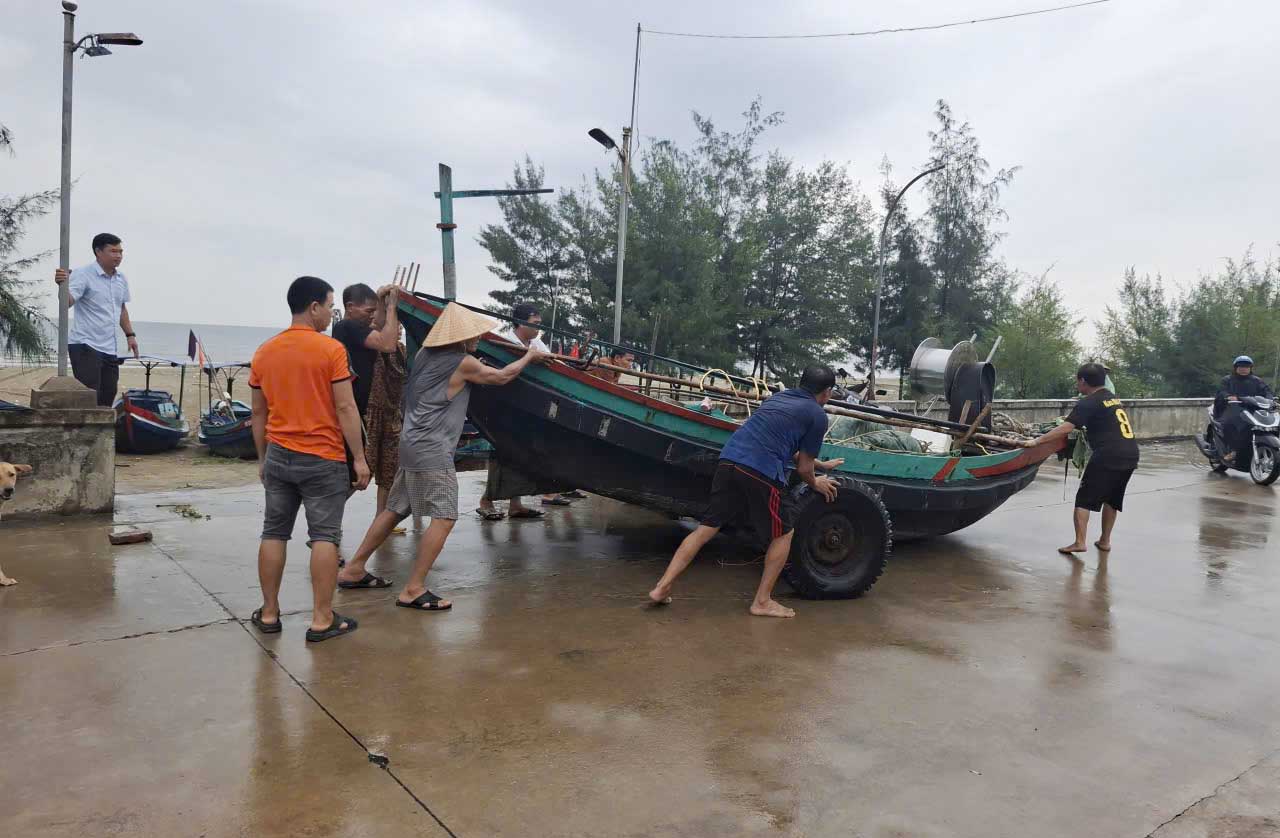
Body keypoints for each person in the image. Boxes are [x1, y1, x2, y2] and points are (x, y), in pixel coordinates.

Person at [338, 303, 546, 609]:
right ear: (459, 336)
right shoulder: (463, 363)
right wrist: (530, 355)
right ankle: (414, 588)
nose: (478, 337)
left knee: (394, 508)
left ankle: (354, 568)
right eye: (473, 333)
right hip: (432, 449)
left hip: (411, 444)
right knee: (445, 517)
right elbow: (501, 377)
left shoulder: (423, 355)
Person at [647, 365, 845, 618]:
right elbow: (803, 468)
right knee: (784, 533)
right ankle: (762, 601)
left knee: (706, 529)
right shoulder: (817, 415)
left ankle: (662, 587)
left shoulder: (778, 398)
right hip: (760, 470)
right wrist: (816, 481)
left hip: (729, 460)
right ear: (827, 392)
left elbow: (783, 444)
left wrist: (821, 464)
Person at [248, 276, 370, 643]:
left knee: (274, 532)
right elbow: (346, 406)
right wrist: (360, 459)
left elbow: (258, 414)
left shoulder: (264, 352)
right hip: (323, 457)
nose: (331, 313)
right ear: (313, 306)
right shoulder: (330, 351)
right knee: (324, 537)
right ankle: (321, 618)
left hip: (280, 456)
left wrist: (262, 458)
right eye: (330, 305)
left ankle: (269, 614)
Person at [1033, 363, 1140, 555]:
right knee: (1112, 499)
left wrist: (1037, 441)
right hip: (1130, 453)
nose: (1076, 384)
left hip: (1108, 455)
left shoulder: (1088, 402)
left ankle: (1079, 542)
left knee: (1084, 499)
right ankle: (1105, 541)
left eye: (1077, 380)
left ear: (1083, 381)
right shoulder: (1112, 398)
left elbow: (1066, 428)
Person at [476, 302, 562, 518]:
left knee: (522, 455)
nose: (538, 328)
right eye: (535, 323)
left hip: (529, 409)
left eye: (540, 323)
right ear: (520, 322)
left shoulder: (537, 343)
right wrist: (531, 358)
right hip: (505, 407)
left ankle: (516, 504)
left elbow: (553, 363)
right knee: (502, 455)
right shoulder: (506, 343)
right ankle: (486, 501)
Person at [333, 283, 403, 512]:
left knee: (355, 474)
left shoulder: (355, 328)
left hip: (360, 410)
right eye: (368, 311)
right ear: (350, 307)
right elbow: (388, 342)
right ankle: (326, 521)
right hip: (353, 411)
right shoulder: (347, 326)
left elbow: (380, 327)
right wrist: (391, 307)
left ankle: (328, 521)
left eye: (375, 311)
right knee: (356, 473)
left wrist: (382, 302)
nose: (372, 316)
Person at [52, 233, 139, 406]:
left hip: (109, 348)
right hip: (85, 345)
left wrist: (130, 335)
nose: (118, 256)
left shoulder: (121, 279)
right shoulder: (83, 274)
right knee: (90, 395)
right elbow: (67, 302)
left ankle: (101, 433)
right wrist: (62, 285)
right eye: (113, 251)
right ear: (98, 252)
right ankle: (84, 432)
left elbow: (121, 308)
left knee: (109, 394)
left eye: (121, 251)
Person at [1214, 355, 1274, 461]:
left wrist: (1271, 401)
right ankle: (1233, 450)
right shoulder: (1227, 380)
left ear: (1250, 368)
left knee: (1271, 423)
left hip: (1252, 409)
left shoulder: (1257, 381)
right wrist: (1228, 396)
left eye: (1246, 366)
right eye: (1241, 366)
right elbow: (1221, 392)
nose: (1243, 369)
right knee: (1229, 424)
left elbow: (1267, 392)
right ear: (1235, 367)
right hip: (1232, 408)